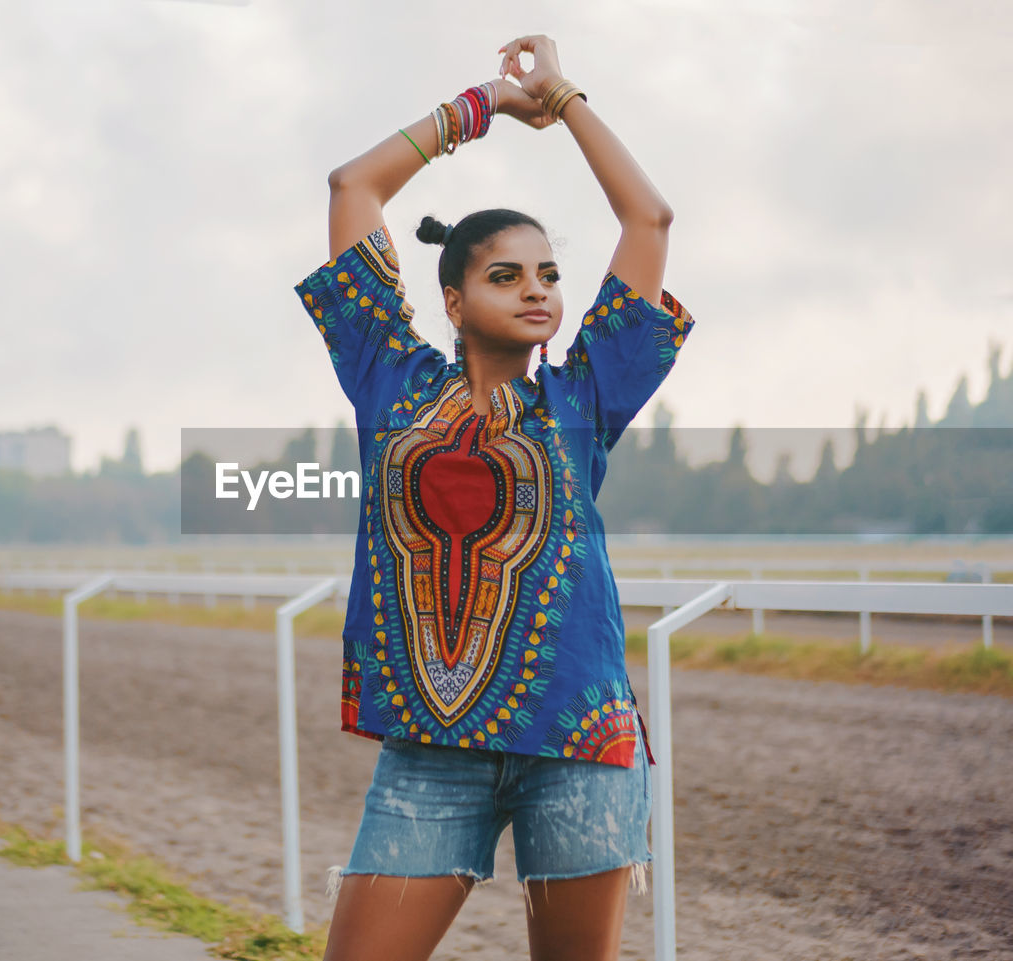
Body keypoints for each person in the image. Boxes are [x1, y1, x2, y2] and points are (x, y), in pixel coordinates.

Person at [293, 34, 695, 961]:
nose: (538, 291)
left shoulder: (586, 393)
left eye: (550, 274)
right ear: (454, 298)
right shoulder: (385, 375)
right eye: (505, 275)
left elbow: (652, 219)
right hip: (429, 759)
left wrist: (564, 99)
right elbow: (352, 186)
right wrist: (486, 104)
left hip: (581, 748)